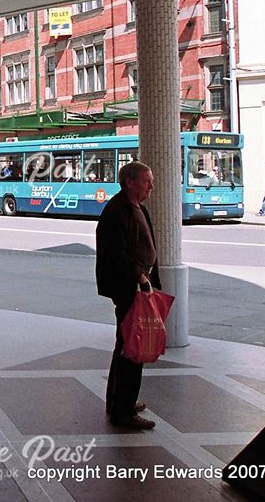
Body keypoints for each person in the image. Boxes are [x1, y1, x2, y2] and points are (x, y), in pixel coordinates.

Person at [96, 160, 161, 430]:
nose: (152, 185)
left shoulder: (137, 208)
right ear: (130, 182)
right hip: (128, 288)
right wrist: (139, 276)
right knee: (132, 350)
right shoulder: (116, 211)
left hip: (138, 287)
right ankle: (122, 411)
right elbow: (116, 254)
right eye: (147, 181)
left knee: (125, 346)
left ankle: (119, 401)